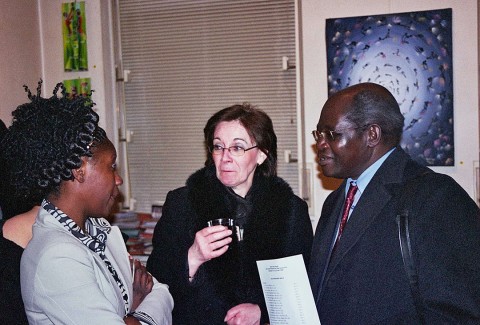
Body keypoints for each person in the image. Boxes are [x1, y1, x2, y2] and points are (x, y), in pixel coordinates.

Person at [308, 82, 480, 324]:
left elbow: (458, 312)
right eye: (319, 134)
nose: (321, 144)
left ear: (372, 135)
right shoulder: (334, 202)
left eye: (332, 134)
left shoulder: (435, 197)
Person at [3, 81, 173, 324]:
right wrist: (134, 312)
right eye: (111, 165)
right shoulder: (55, 255)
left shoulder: (99, 229)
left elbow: (161, 292)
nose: (118, 178)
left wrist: (130, 316)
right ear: (79, 170)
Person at [147, 103, 313, 325]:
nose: (225, 157)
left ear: (261, 154)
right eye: (218, 147)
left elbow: (302, 288)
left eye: (237, 148)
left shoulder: (290, 211)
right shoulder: (183, 203)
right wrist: (193, 257)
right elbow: (154, 278)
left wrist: (262, 312)